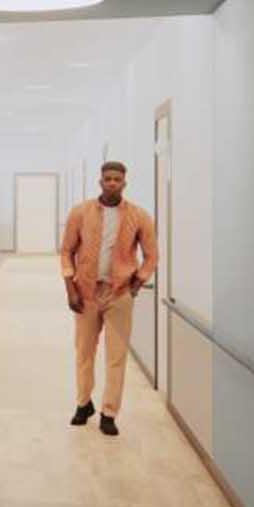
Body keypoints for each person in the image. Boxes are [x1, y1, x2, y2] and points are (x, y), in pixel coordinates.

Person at [59, 161, 159, 438]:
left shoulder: (139, 216)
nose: (112, 183)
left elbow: (152, 255)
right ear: (100, 181)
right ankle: (83, 404)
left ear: (124, 183)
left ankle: (109, 412)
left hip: (119, 295)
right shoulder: (80, 213)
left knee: (116, 357)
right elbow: (66, 251)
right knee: (84, 353)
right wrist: (70, 288)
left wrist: (137, 283)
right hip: (86, 294)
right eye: (108, 179)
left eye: (117, 179)